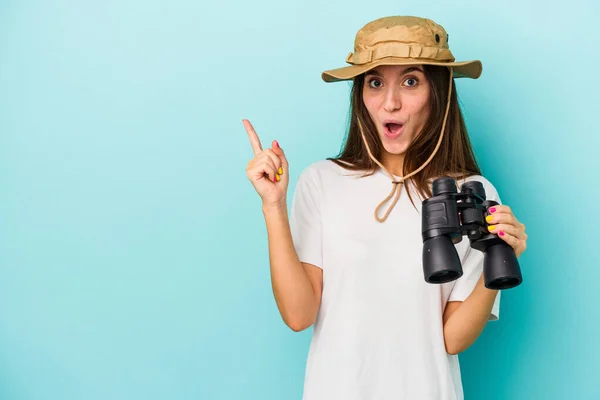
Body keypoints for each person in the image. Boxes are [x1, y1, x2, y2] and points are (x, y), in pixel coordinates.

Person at [242, 15, 528, 400]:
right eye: (375, 82)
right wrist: (273, 206)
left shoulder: (471, 193)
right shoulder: (321, 182)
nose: (390, 103)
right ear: (360, 93)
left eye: (410, 81)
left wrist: (500, 255)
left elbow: (452, 339)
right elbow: (298, 315)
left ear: (437, 92)